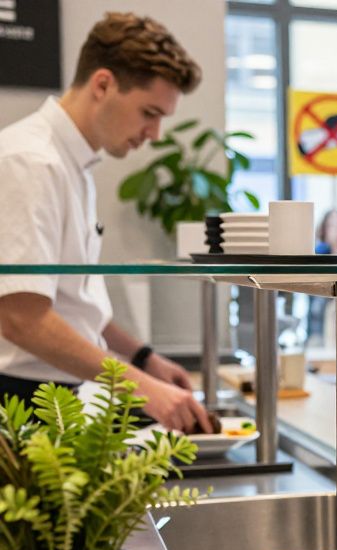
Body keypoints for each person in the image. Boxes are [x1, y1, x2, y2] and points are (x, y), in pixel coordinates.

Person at [0, 12, 213, 432]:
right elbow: (22, 317)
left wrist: (142, 357)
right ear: (102, 84)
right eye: (149, 112)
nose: (154, 133)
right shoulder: (31, 162)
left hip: (50, 395)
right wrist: (141, 387)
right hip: (17, 402)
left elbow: (67, 299)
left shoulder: (73, 165)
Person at [306, 208, 337, 345]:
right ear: (324, 229)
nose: (335, 230)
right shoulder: (315, 256)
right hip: (318, 326)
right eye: (330, 225)